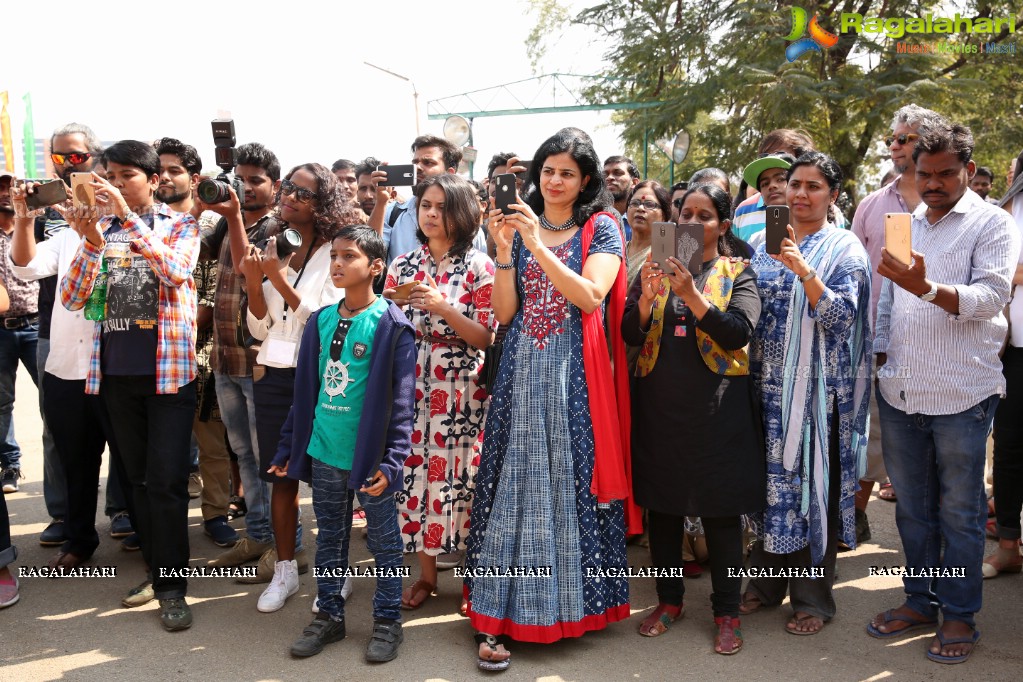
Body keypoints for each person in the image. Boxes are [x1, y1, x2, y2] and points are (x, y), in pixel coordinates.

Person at [463, 128, 634, 671]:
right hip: (520, 369)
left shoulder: (601, 228)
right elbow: (506, 314)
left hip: (573, 376)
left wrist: (536, 243)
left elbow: (590, 296)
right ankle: (498, 610)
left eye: (566, 173)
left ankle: (566, 604)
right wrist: (508, 251)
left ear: (586, 180)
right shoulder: (521, 225)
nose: (554, 181)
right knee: (514, 481)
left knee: (565, 482)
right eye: (547, 171)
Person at [869, 123, 1019, 665]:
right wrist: (882, 355)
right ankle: (919, 600)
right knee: (911, 510)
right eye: (922, 173)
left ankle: (959, 613)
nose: (931, 184)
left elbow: (991, 296)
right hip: (902, 390)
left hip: (962, 393)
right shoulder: (906, 223)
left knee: (958, 511)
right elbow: (889, 298)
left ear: (969, 171)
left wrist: (927, 289)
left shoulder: (992, 223)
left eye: (944, 174)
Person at [59, 140, 201, 631]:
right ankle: (160, 571)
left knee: (164, 481)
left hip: (168, 376)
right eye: (110, 178)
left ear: (153, 179)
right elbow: (74, 298)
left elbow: (175, 272)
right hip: (115, 375)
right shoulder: (99, 231)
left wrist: (128, 220)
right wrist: (94, 241)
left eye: (126, 177)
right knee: (137, 480)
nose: (116, 186)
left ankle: (173, 587)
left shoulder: (182, 224)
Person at [623, 183, 764, 654]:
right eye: (685, 212)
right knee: (662, 509)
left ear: (723, 226)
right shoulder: (656, 268)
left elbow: (738, 331)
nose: (691, 221)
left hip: (717, 411)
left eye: (704, 215)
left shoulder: (738, 272)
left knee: (720, 513)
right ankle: (668, 601)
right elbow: (629, 331)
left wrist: (692, 295)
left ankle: (726, 612)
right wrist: (644, 300)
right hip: (660, 406)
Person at [269, 225, 414, 662]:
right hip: (325, 452)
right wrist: (288, 448)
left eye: (348, 256)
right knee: (330, 537)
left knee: (385, 543)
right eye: (334, 255)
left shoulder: (391, 325)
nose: (336, 264)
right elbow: (305, 395)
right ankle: (329, 615)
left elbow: (403, 405)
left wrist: (391, 463)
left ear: (374, 267)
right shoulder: (320, 320)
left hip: (369, 461)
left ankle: (388, 621)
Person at [741, 151, 871, 636]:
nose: (799, 194)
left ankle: (813, 599)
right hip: (766, 389)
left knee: (811, 492)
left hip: (818, 395)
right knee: (773, 492)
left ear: (833, 196)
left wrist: (803, 270)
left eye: (813, 186)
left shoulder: (845, 249)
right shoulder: (760, 242)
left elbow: (841, 320)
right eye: (794, 184)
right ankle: (765, 584)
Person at [382, 174, 496, 610]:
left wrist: (443, 307)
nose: (431, 214)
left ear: (463, 214)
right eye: (425, 205)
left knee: (464, 483)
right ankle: (426, 578)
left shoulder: (480, 266)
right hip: (412, 385)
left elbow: (486, 337)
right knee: (418, 481)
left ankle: (472, 584)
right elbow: (388, 327)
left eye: (441, 207)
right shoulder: (403, 265)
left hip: (464, 391)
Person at [241, 162, 350, 612]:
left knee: (331, 479)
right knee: (280, 477)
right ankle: (285, 570)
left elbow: (324, 319)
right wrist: (254, 280)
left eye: (302, 193)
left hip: (321, 375)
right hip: (273, 371)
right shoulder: (275, 245)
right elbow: (259, 325)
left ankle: (336, 572)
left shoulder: (338, 251)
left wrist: (277, 276)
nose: (289, 197)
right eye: (287, 188)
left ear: (322, 202)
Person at [850, 105, 948, 520]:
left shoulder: (958, 208)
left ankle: (932, 541)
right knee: (869, 437)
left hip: (939, 347)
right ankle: (850, 522)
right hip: (877, 345)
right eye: (893, 138)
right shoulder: (872, 205)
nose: (894, 145)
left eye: (904, 138)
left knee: (938, 450)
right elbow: (853, 274)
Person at [200, 142, 284, 570]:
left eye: (257, 180)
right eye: (241, 180)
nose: (247, 188)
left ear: (276, 185)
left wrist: (231, 216)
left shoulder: (279, 229)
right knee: (243, 454)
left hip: (259, 361)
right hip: (225, 359)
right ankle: (256, 536)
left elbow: (241, 263)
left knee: (268, 457)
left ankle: (284, 547)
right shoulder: (219, 224)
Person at [154, 137, 238, 548]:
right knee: (160, 448)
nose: (165, 178)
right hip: (155, 349)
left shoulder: (212, 223)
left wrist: (198, 313)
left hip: (204, 348)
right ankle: (149, 521)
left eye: (174, 170)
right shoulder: (146, 223)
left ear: (194, 177)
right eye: (160, 170)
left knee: (212, 442)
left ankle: (216, 514)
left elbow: (219, 280)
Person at [988, 156, 1023, 578]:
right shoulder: (1007, 208)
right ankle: (1009, 546)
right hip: (1013, 349)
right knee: (1010, 449)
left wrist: (1010, 274)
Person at [0, 171, 40, 496]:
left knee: (54, 397)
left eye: (8, 186)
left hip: (38, 324)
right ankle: (10, 464)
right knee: (1, 403)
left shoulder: (38, 227)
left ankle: (67, 460)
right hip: (0, 330)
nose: (4, 192)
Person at [733, 129, 816, 243]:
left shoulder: (822, 209)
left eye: (781, 178)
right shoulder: (743, 211)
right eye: (765, 183)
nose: (772, 185)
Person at [622, 180, 670, 374]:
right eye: (634, 203)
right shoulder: (614, 249)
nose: (640, 208)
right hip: (604, 344)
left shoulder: (663, 258)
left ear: (665, 216)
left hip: (641, 354)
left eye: (650, 204)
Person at [604, 155, 640, 241]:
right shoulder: (592, 217)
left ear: (634, 182)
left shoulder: (640, 220)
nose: (609, 178)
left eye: (618, 173)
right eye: (605, 174)